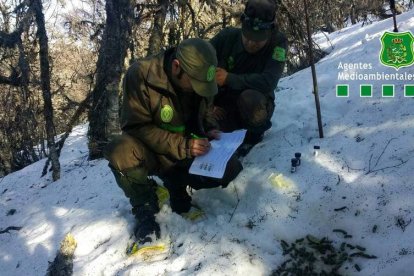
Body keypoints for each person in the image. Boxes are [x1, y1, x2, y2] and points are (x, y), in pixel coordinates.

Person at [104, 38, 243, 246]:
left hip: (186, 149)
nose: (199, 89)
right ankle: (145, 206)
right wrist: (184, 146)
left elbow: (205, 112)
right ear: (177, 67)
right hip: (153, 150)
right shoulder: (141, 75)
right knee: (120, 149)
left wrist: (209, 127)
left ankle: (177, 188)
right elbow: (136, 127)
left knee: (230, 168)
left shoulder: (201, 74)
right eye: (195, 84)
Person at [210, 0, 287, 155]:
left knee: (250, 99)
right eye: (248, 37)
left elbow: (269, 81)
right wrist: (207, 105)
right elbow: (198, 65)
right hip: (222, 105)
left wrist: (229, 79)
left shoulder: (278, 42)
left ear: (269, 32)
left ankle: (252, 137)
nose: (252, 43)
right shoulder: (226, 37)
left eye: (258, 40)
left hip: (253, 104)